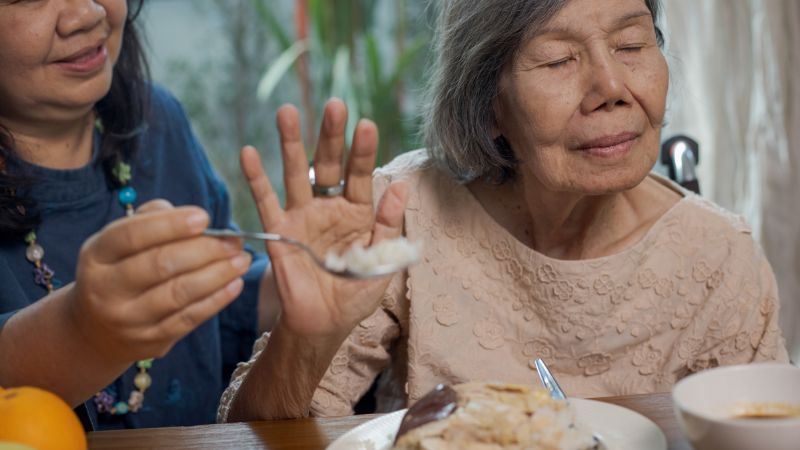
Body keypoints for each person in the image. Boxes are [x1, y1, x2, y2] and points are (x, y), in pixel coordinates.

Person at [218, 0, 789, 422]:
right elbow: (258, 435)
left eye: (633, 45)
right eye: (559, 59)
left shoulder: (720, 258)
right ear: (487, 105)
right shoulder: (403, 213)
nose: (611, 86)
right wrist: (304, 338)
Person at [0, 0, 271, 429]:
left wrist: (302, 278)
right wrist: (82, 332)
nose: (87, 14)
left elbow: (223, 313)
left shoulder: (157, 120)